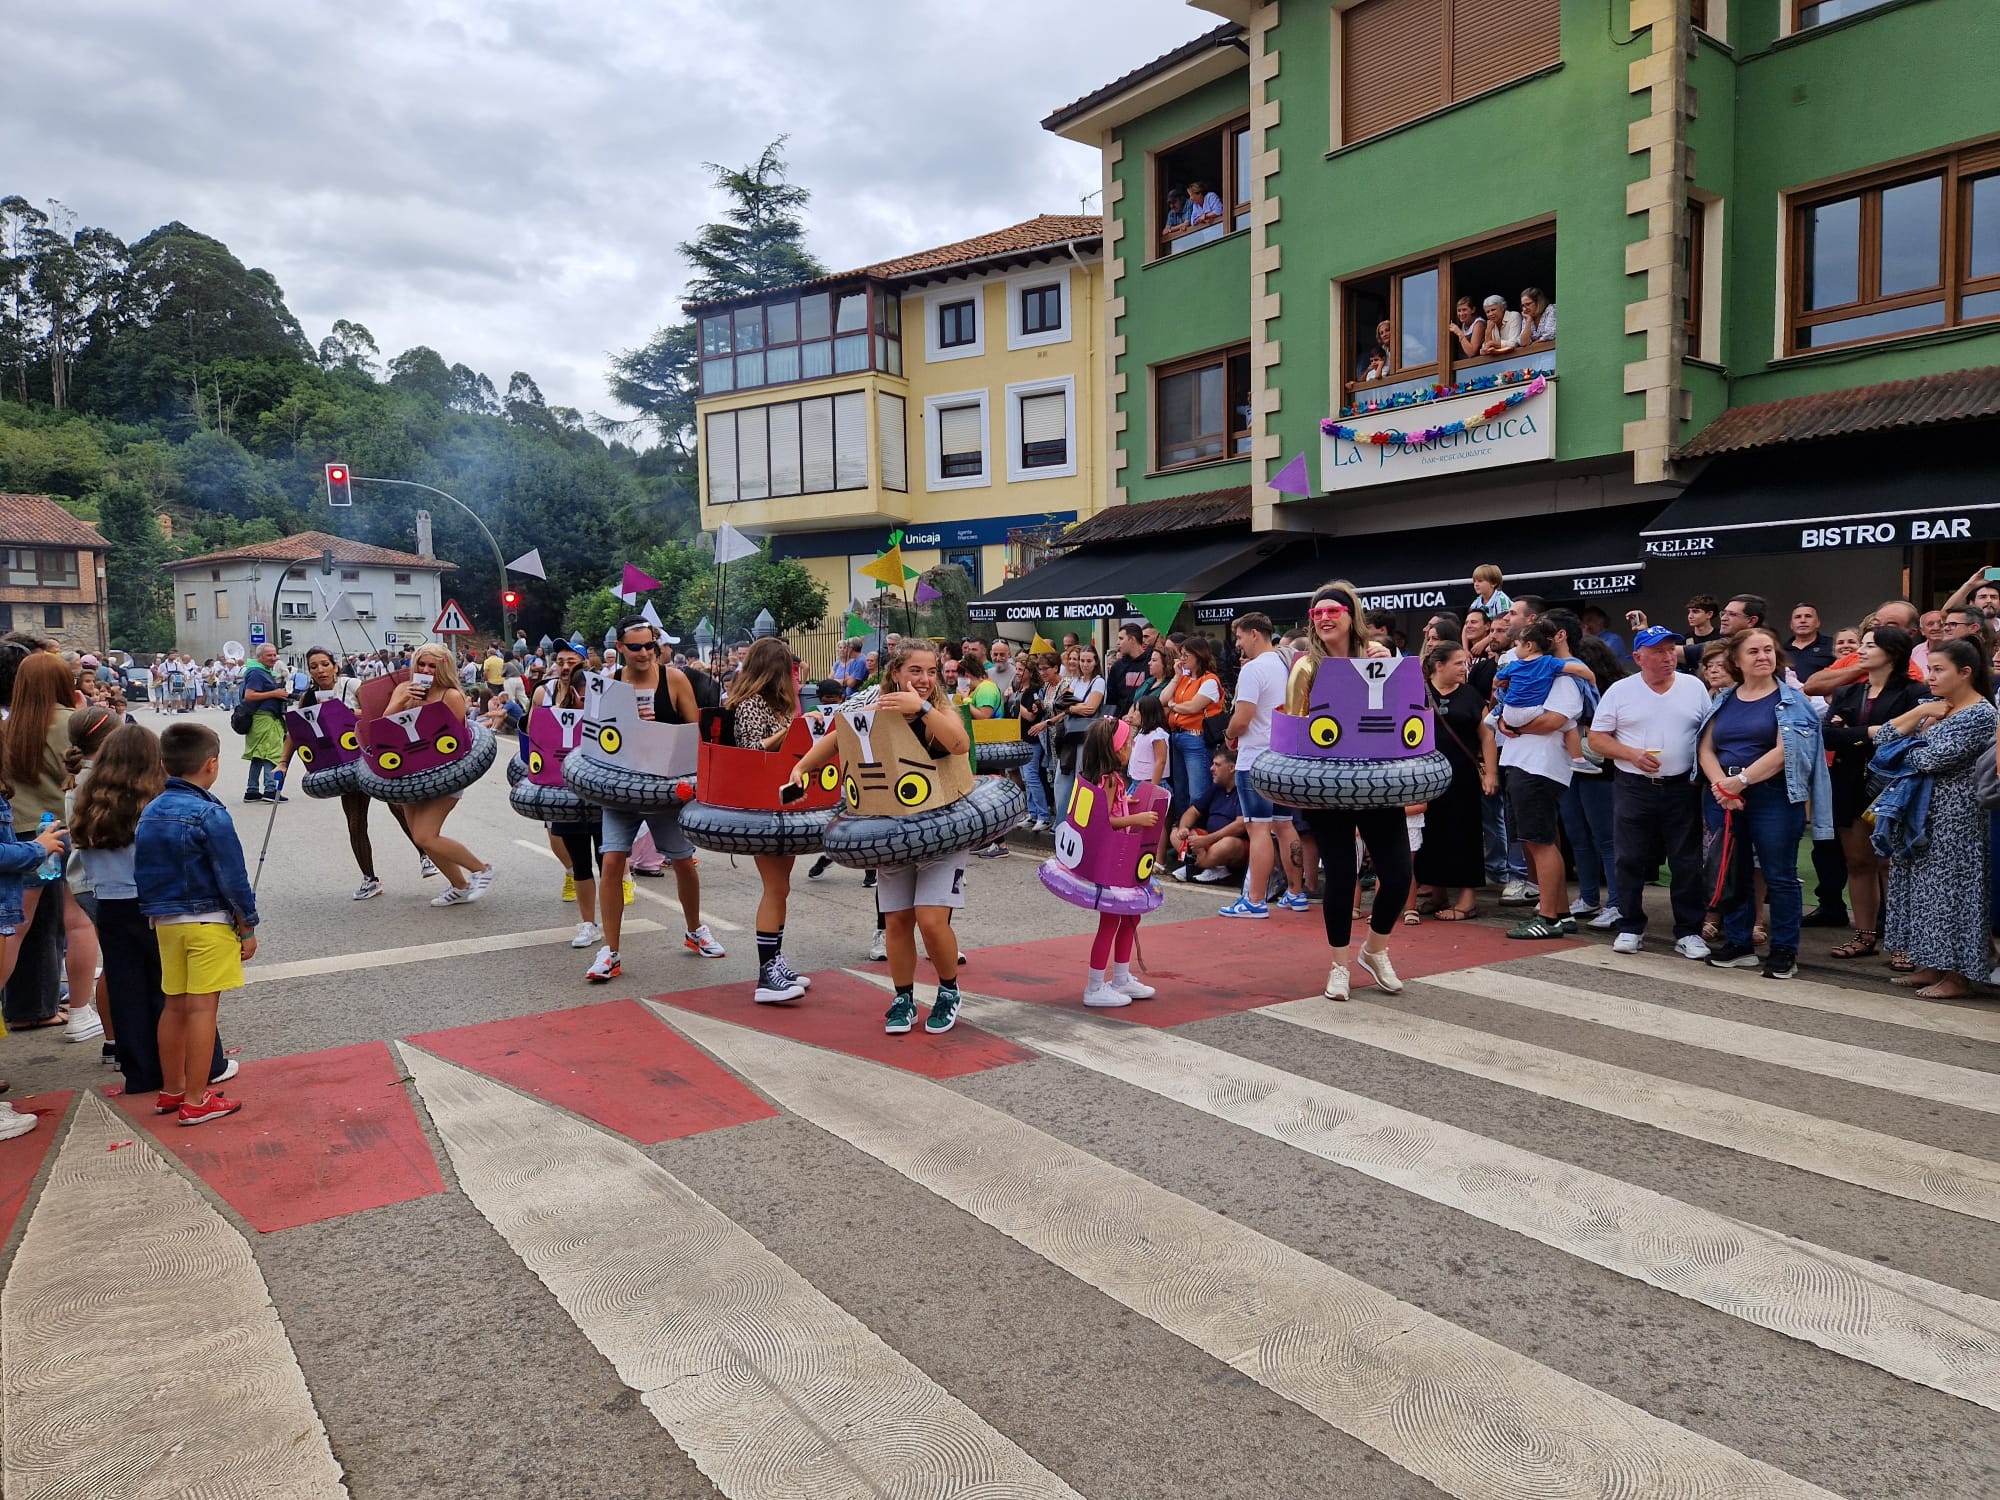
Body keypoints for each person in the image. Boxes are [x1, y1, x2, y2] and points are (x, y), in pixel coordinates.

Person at [792, 642, 970, 1035]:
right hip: (892, 831)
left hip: (941, 832)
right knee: (897, 921)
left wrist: (920, 707)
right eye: (915, 671)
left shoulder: (940, 709)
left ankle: (948, 990)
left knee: (930, 919)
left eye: (931, 672)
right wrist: (803, 767)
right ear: (895, 673)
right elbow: (840, 735)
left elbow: (960, 744)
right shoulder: (875, 710)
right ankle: (903, 996)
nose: (924, 680)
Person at [1281, 583, 1408, 997]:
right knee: (1340, 873)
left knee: (1398, 872)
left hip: (1377, 783)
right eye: (1317, 613)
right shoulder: (1306, 666)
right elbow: (1295, 728)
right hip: (1328, 787)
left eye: (1332, 610)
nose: (1324, 618)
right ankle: (1339, 964)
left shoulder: (1380, 655)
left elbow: (1407, 707)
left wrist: (1391, 663)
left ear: (1351, 613)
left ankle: (1375, 949)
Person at [135, 721, 257, 1125]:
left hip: (165, 921)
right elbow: (233, 876)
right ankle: (197, 1098)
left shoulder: (151, 810)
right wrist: (247, 924)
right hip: (208, 920)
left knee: (174, 1005)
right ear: (211, 764)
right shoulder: (209, 813)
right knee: (204, 1009)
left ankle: (172, 1090)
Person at [588, 616, 721, 983]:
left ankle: (695, 930)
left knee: (682, 862)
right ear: (620, 649)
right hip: (619, 788)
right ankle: (610, 952)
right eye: (636, 647)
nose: (645, 653)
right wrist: (626, 725)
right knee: (612, 862)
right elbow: (592, 738)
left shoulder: (673, 679)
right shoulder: (607, 685)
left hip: (665, 788)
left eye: (651, 645)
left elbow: (696, 732)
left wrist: (655, 726)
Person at [1696, 627, 1831, 979]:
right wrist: (1721, 787)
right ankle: (1740, 944)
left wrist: (1739, 782)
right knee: (1735, 871)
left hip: (1772, 795)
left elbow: (1786, 752)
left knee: (1780, 875)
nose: (1763, 657)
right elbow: (1706, 747)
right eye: (1753, 651)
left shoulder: (1792, 701)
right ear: (1737, 660)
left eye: (1768, 650)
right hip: (1725, 796)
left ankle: (1785, 949)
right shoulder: (1725, 698)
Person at [1871, 638, 1996, 999]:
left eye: (1939, 669)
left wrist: (1912, 738)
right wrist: (1916, 716)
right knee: (1919, 888)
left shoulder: (1981, 714)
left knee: (1952, 893)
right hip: (1921, 811)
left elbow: (1928, 760)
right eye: (1930, 668)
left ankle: (1957, 975)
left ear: (1966, 672)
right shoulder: (1932, 705)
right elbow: (1886, 741)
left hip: (1958, 815)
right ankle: (1931, 964)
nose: (1931, 676)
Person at [1588, 625, 1713, 959]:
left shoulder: (1694, 687)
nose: (1667, 657)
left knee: (1686, 860)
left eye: (1671, 649)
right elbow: (1597, 737)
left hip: (1682, 786)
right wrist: (1630, 754)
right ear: (1638, 657)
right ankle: (1630, 925)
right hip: (1634, 786)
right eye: (1658, 651)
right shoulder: (1620, 691)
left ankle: (1688, 930)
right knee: (1629, 857)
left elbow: (1707, 734)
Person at [0, 651, 101, 1022]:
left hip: (21, 833)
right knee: (78, 921)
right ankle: (79, 1011)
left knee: (15, 925)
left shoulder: (9, 726)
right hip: (64, 829)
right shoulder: (71, 722)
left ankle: (13, 1006)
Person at [283, 648, 425, 900]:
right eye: (314, 666)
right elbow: (296, 732)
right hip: (342, 767)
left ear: (335, 667)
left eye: (325, 664)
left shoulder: (353, 685)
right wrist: (283, 763)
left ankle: (426, 855)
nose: (320, 670)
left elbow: (377, 713)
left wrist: (339, 713)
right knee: (356, 822)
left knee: (397, 806)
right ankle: (370, 879)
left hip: (370, 756)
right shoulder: (308, 697)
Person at [1819, 626, 1922, 962]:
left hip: (1893, 787)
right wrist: (1872, 733)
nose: (1860, 651)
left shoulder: (1912, 693)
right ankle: (1864, 935)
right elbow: (1827, 735)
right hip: (1849, 783)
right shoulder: (1849, 692)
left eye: (1869, 646)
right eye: (1860, 645)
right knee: (1858, 861)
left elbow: (1906, 739)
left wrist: (1855, 734)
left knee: (1892, 865)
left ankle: (1904, 941)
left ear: (1891, 653)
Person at [1480, 621, 1585, 941]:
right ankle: (1562, 913)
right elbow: (1499, 711)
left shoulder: (1564, 676)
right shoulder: (1526, 672)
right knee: (1537, 840)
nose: (1516, 648)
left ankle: (1548, 917)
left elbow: (1556, 720)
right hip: (1519, 764)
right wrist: (1505, 721)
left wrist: (1517, 727)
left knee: (1540, 842)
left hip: (1541, 767)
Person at [726, 639, 814, 1005]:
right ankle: (766, 974)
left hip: (781, 802)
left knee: (782, 888)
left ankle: (776, 960)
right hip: (761, 805)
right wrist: (790, 731)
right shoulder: (751, 705)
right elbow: (750, 752)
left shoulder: (776, 705)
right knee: (774, 888)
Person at [385, 643, 497, 909]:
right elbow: (383, 727)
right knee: (419, 836)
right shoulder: (403, 689)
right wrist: (402, 701)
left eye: (432, 666)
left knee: (426, 836)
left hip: (443, 773)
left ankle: (481, 868)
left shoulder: (450, 696)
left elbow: (450, 740)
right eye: (421, 665)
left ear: (443, 669)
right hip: (410, 772)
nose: (425, 670)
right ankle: (459, 885)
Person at [1071, 718, 1164, 1008]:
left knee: (1131, 916)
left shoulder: (1113, 779)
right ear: (1114, 750)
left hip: (1121, 860)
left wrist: (1129, 805)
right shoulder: (1108, 780)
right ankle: (1095, 986)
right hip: (1111, 860)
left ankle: (1121, 976)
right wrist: (1135, 818)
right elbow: (1104, 820)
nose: (1131, 747)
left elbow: (1112, 807)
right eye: (1127, 744)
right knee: (1110, 920)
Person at [1218, 613, 1295, 921]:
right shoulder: (1283, 664)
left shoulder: (1254, 670)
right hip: (1280, 755)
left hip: (1255, 759)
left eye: (1238, 637)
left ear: (1254, 634)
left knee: (1258, 828)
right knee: (1284, 825)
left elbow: (1241, 719)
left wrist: (1227, 734)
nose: (1237, 644)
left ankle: (1254, 900)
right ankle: (1297, 892)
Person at [1409, 643, 1486, 921]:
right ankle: (1437, 892)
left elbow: (1486, 734)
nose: (1464, 668)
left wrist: (1490, 773)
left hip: (1462, 775)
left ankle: (1467, 899)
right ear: (1438, 665)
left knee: (1464, 833)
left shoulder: (1470, 694)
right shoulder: (1416, 692)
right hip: (1424, 777)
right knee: (1430, 833)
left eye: (1465, 663)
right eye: (1457, 663)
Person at [1163, 634, 1223, 824]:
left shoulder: (1209, 680)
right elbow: (1163, 699)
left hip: (1195, 738)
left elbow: (1193, 707)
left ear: (1198, 656)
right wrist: (1175, 677)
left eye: (1186, 655)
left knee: (1197, 791)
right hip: (1178, 736)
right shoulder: (1183, 678)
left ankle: (1199, 830)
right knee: (1181, 790)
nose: (1182, 659)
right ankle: (1183, 834)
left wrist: (1173, 706)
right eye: (1181, 655)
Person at [1171, 747, 1247, 884]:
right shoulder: (1216, 787)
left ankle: (1194, 866)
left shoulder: (1243, 791)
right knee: (1175, 833)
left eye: (1217, 765)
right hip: (1208, 843)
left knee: (1227, 844)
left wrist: (1207, 839)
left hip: (1234, 846)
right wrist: (1184, 828)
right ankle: (1210, 867)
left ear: (1231, 768)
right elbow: (1193, 811)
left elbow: (1240, 825)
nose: (1212, 768)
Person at [1050, 644, 1105, 826]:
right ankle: (1061, 823)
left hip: (1086, 736)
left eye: (1089, 661)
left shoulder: (1098, 681)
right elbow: (1062, 705)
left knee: (1081, 779)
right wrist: (1073, 708)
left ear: (1095, 662)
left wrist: (1072, 708)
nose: (1085, 664)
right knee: (1062, 778)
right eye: (1082, 660)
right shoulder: (1075, 681)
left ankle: (1078, 824)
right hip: (1070, 736)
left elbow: (1090, 708)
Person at [239, 643, 288, 801]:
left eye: (275, 655)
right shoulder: (257, 673)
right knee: (271, 753)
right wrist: (275, 693)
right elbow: (249, 695)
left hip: (259, 716)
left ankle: (252, 790)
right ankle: (270, 789)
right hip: (264, 716)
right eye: (269, 655)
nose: (273, 658)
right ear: (259, 657)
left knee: (258, 755)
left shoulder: (260, 671)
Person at [1016, 653, 1059, 832]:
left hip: (1033, 739)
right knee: (1026, 778)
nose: (1017, 673)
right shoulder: (1019, 690)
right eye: (1016, 669)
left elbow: (1032, 715)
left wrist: (1018, 705)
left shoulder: (1033, 690)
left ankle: (1043, 815)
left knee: (1032, 777)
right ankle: (1033, 813)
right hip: (1020, 739)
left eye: (1020, 669)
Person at [1104, 624, 1151, 719]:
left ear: (1132, 639)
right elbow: (1111, 700)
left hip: (1146, 720)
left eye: (1121, 638)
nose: (1117, 643)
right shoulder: (1117, 667)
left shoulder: (1151, 662)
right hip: (1122, 721)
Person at [1786, 603, 1834, 682]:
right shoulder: (1781, 651)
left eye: (1808, 616)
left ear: (1818, 622)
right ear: (1791, 624)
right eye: (1798, 617)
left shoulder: (1832, 645)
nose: (1803, 620)